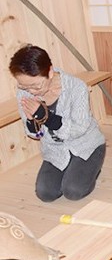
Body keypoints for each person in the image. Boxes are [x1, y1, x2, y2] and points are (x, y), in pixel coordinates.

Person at [9, 45, 106, 202]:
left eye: (35, 85)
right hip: (55, 149)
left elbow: (80, 128)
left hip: (85, 145)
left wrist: (46, 118)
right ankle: (74, 169)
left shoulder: (76, 87)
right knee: (45, 193)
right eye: (24, 86)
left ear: (50, 71)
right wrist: (32, 121)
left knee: (73, 191)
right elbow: (35, 134)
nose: (31, 91)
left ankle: (91, 168)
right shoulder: (24, 93)